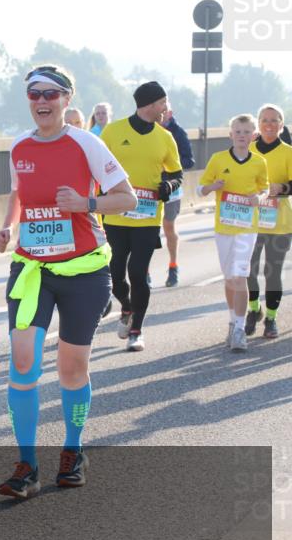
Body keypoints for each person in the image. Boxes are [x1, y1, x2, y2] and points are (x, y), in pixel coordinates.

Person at [0, 65, 136, 499]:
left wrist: (85, 202)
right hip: (33, 269)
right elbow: (20, 195)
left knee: (72, 368)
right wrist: (6, 227)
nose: (42, 101)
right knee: (23, 363)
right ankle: (26, 464)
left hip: (83, 270)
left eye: (51, 94)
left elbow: (127, 197)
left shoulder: (86, 143)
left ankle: (73, 450)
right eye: (34, 93)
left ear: (66, 100)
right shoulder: (19, 147)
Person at [100, 81, 182, 351]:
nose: (166, 108)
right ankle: (126, 307)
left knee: (138, 272)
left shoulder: (165, 137)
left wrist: (168, 186)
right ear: (150, 104)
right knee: (114, 273)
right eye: (163, 102)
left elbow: (176, 173)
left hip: (147, 216)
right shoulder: (113, 131)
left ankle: (136, 330)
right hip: (116, 214)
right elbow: (95, 165)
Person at [198, 114, 269, 351]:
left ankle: (240, 330)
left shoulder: (259, 162)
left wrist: (259, 197)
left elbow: (265, 187)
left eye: (247, 132)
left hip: (247, 228)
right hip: (224, 227)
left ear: (254, 135)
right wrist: (212, 187)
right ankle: (232, 320)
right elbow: (200, 189)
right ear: (231, 135)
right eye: (238, 132)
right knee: (229, 278)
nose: (242, 136)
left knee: (240, 276)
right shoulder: (218, 160)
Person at [246, 104, 292, 339]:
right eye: (265, 120)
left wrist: (281, 187)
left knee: (271, 271)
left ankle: (271, 318)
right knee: (248, 268)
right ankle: (254, 309)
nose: (270, 124)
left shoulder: (288, 152)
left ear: (281, 125)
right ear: (258, 123)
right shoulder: (248, 150)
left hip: (280, 222)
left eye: (275, 120)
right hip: (250, 221)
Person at [158, 103, 196, 287]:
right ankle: (145, 272)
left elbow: (190, 160)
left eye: (164, 112)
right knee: (147, 230)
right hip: (150, 187)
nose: (161, 114)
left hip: (172, 187)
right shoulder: (147, 130)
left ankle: (173, 266)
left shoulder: (178, 132)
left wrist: (171, 162)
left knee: (168, 227)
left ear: (170, 113)